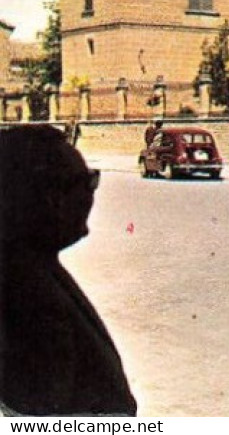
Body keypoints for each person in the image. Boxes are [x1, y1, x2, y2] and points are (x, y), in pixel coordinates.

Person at [0, 125, 137, 415]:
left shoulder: (30, 267)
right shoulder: (30, 294)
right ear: (48, 197)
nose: (91, 196)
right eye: (86, 183)